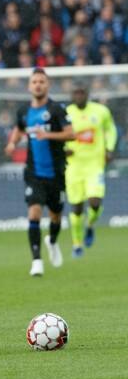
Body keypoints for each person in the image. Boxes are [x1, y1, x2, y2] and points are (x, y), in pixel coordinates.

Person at [5, 68, 74, 276]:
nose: (38, 85)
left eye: (41, 81)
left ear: (48, 85)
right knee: (34, 213)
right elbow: (19, 128)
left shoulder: (56, 110)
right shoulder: (24, 111)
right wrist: (12, 143)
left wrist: (48, 135)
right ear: (29, 86)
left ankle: (52, 241)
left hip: (56, 173)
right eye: (34, 81)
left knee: (55, 216)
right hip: (33, 173)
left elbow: (71, 134)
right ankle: (37, 261)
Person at [64, 85, 117, 258]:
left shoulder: (101, 111)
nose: (79, 95)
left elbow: (111, 129)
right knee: (77, 207)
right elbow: (58, 134)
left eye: (82, 92)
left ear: (87, 95)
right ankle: (77, 243)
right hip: (73, 166)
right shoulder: (66, 113)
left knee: (95, 202)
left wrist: (109, 149)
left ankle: (90, 225)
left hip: (95, 165)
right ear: (72, 96)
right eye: (76, 93)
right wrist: (62, 149)